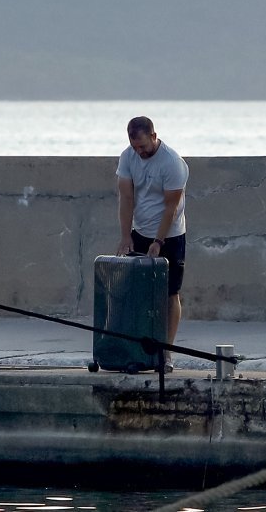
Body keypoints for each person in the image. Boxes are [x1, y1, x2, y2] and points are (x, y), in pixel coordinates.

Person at [116, 117, 189, 374]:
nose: (140, 152)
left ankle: (166, 352)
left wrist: (159, 241)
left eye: (143, 147)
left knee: (169, 293)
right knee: (138, 293)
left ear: (154, 136)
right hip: (141, 230)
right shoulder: (127, 157)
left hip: (170, 235)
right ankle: (139, 348)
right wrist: (127, 236)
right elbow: (126, 197)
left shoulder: (172, 163)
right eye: (135, 147)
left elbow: (170, 207)